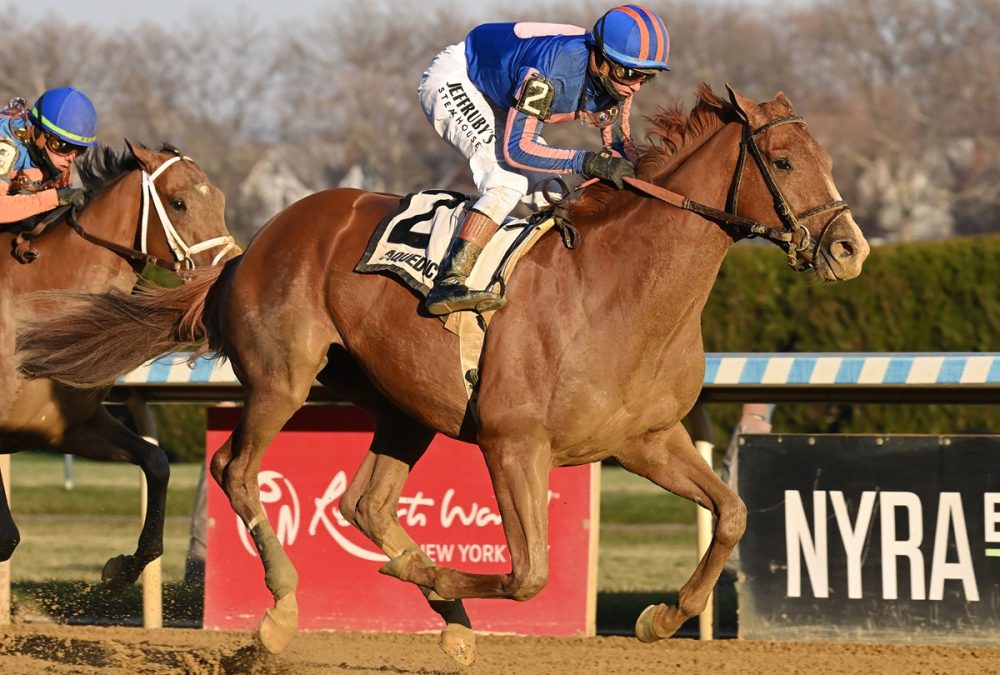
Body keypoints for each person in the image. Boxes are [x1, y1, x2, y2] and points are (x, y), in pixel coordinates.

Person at [419, 5, 671, 315]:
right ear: (600, 59)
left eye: (648, 77)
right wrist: (586, 161)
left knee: (553, 194)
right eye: (628, 73)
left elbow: (620, 149)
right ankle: (449, 280)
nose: (634, 85)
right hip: (460, 79)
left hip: (502, 93)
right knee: (506, 183)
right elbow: (518, 149)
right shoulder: (549, 73)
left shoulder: (618, 82)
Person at [0, 86, 97, 226]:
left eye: (80, 150)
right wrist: (54, 198)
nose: (71, 158)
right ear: (41, 135)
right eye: (65, 147)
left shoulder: (58, 161)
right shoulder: (6, 145)